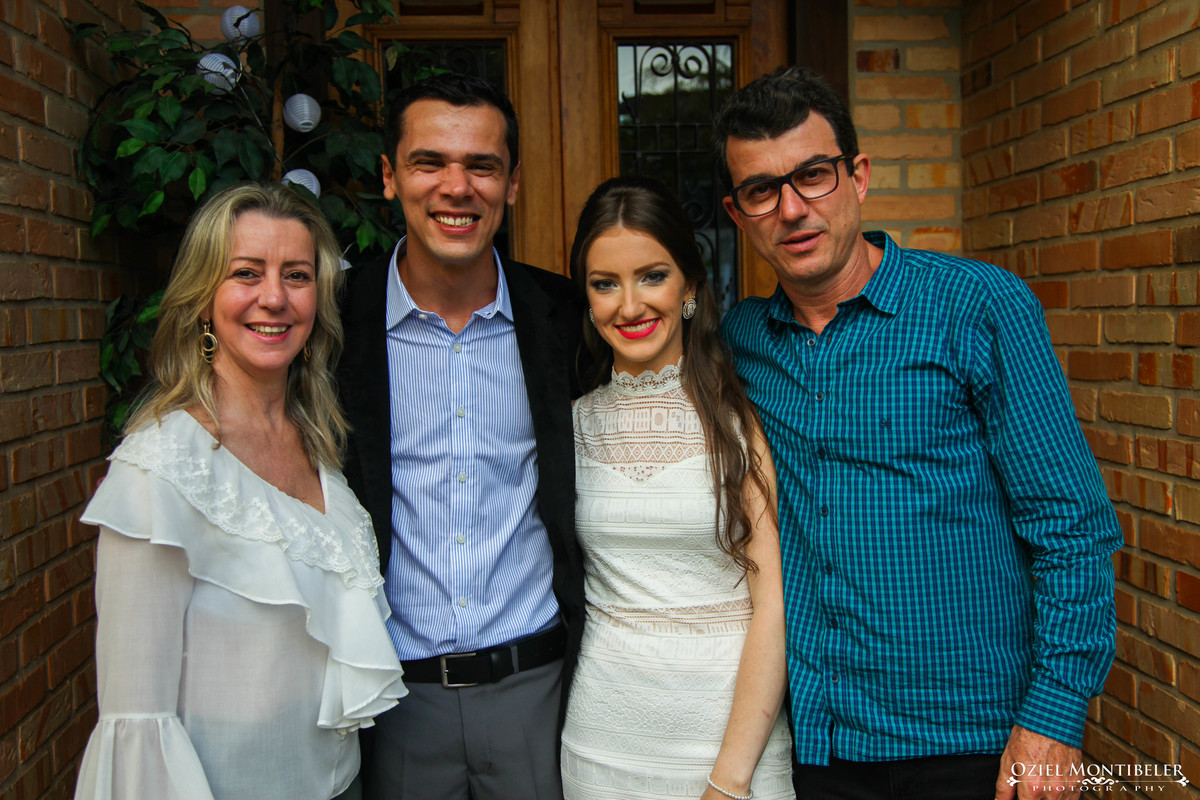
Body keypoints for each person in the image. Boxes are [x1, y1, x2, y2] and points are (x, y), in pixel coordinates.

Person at [712, 65, 1123, 800]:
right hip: (821, 745)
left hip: (972, 743)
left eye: (813, 175)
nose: (792, 209)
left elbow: (1072, 526)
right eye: (761, 190)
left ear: (859, 175)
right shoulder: (743, 341)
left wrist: (1055, 717)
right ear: (737, 213)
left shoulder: (977, 306)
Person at [74, 183, 407, 800]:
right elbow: (136, 719)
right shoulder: (160, 469)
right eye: (246, 273)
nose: (274, 297)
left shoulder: (320, 445)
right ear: (204, 296)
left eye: (297, 276)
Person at [336, 72, 585, 799]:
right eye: (429, 162)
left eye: (482, 165)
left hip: (536, 689)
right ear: (390, 176)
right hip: (392, 697)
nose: (457, 187)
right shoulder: (332, 323)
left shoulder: (567, 319)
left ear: (512, 184)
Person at [560, 175, 794, 800]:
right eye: (605, 283)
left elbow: (772, 602)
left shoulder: (739, 419)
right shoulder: (572, 425)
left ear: (689, 285)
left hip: (731, 748)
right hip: (603, 745)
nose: (629, 306)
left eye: (652, 276)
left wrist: (731, 778)